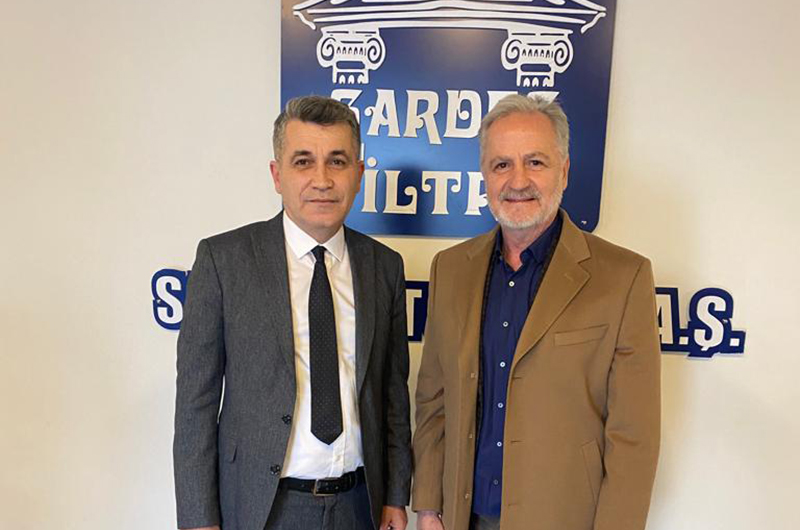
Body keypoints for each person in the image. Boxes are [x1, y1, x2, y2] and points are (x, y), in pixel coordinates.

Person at [412, 94, 661, 530]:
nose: (518, 180)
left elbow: (633, 438)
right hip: (463, 518)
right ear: (484, 174)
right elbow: (434, 402)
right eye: (501, 164)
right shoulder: (450, 269)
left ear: (563, 171)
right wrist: (429, 506)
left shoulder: (624, 278)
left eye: (535, 162)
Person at [174, 95, 412, 530]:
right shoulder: (223, 261)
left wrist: (396, 495)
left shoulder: (384, 267)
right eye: (303, 162)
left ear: (359, 174)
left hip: (359, 505)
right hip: (262, 508)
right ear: (276, 174)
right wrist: (198, 519)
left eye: (337, 161)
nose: (322, 180)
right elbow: (196, 405)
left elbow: (393, 396)